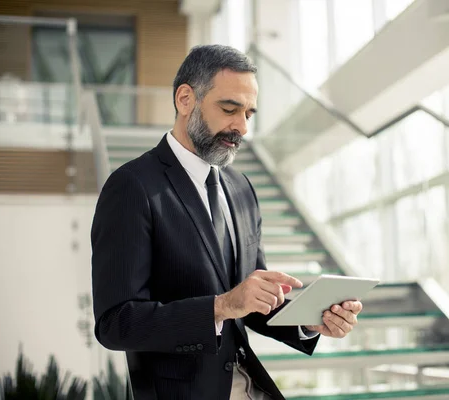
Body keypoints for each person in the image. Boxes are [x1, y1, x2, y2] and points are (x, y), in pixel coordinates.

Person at [91, 44, 363, 400]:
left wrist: (310, 321)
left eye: (249, 113)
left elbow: (252, 301)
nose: (242, 127)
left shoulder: (241, 188)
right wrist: (222, 306)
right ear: (185, 99)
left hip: (250, 386)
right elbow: (115, 323)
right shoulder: (132, 186)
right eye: (230, 109)